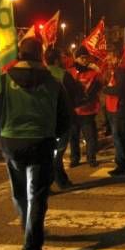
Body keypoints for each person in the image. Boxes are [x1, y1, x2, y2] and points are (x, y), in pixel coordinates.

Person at [0, 38, 71, 250]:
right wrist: (56, 135)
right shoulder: (53, 83)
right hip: (41, 142)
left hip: (11, 141)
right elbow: (65, 117)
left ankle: (27, 227)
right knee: (38, 195)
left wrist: (3, 128)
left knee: (19, 191)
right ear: (41, 54)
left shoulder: (3, 81)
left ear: (20, 54)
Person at [43, 47, 81, 190]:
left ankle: (61, 179)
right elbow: (74, 96)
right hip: (60, 121)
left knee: (51, 153)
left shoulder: (40, 74)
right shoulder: (64, 75)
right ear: (57, 60)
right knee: (57, 153)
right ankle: (55, 181)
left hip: (43, 120)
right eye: (62, 58)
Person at [68, 46, 101, 167]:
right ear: (76, 59)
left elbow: (98, 86)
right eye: (82, 58)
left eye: (86, 58)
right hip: (74, 111)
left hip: (88, 110)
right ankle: (74, 158)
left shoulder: (93, 72)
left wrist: (98, 72)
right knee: (73, 137)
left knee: (90, 136)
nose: (85, 60)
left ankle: (91, 158)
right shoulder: (70, 72)